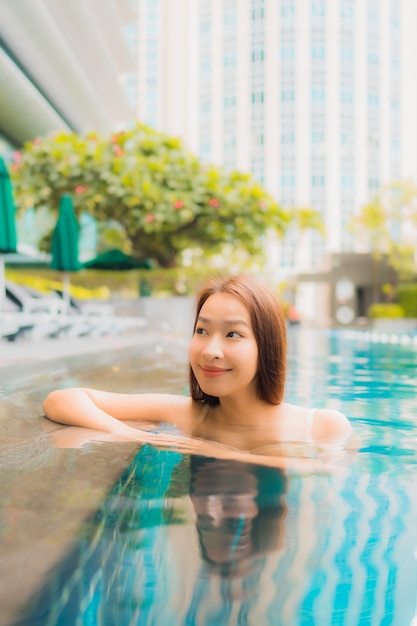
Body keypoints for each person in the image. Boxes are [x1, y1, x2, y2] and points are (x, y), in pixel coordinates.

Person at [42, 274, 352, 464]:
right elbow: (60, 401)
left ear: (266, 347)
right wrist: (135, 435)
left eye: (233, 334)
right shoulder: (187, 413)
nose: (209, 350)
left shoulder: (323, 427)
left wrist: (216, 451)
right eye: (202, 331)